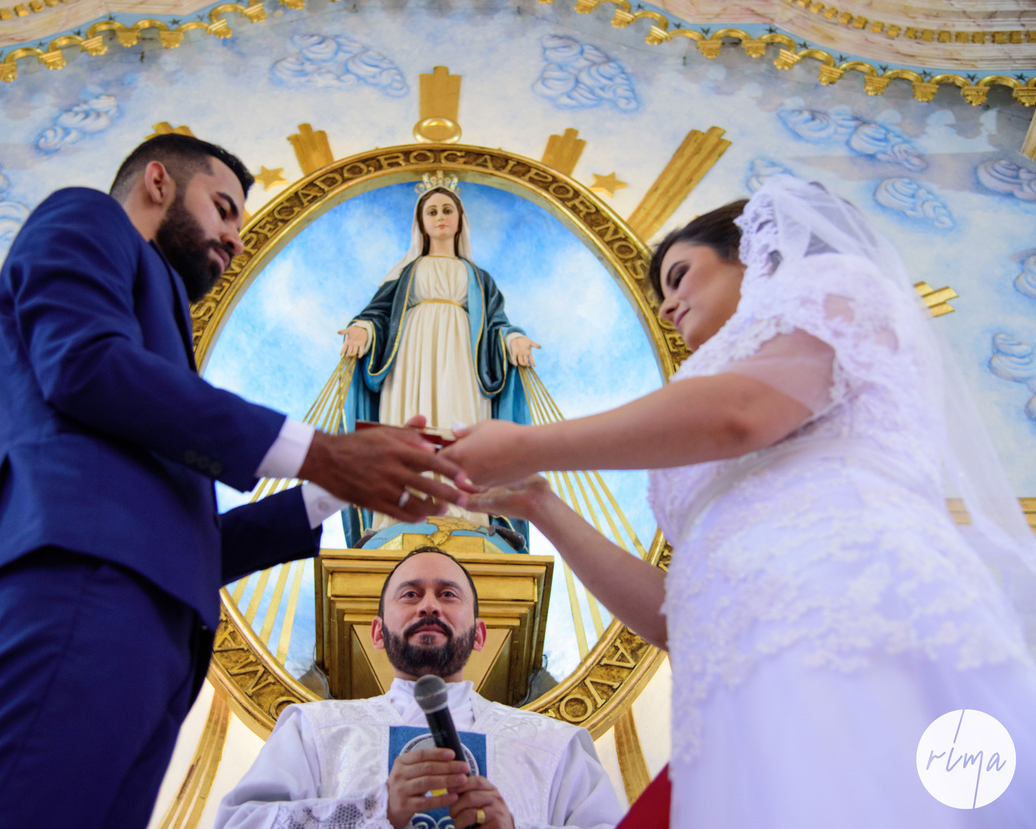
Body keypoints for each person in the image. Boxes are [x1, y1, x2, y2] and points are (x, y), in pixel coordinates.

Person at [448, 175, 1036, 828]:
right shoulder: (726, 384)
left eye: (680, 275)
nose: (669, 306)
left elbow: (742, 412)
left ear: (752, 251)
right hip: (738, 670)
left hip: (837, 607)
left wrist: (529, 444)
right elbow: (678, 617)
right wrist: (540, 505)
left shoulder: (837, 288)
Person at [0, 133, 471, 829]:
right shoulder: (86, 219)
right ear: (157, 181)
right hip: (79, 576)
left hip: (152, 629)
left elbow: (189, 541)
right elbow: (83, 364)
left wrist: (334, 489)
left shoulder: (161, 337)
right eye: (224, 208)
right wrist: (318, 451)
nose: (235, 237)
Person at [213, 546, 623, 829]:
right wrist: (375, 811)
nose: (429, 605)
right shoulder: (314, 730)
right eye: (410, 595)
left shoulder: (554, 746)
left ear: (479, 634)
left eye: (447, 594)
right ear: (377, 632)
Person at [337, 177, 539, 544]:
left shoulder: (478, 277)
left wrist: (514, 339)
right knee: (410, 422)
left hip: (463, 359)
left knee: (457, 420)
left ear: (460, 219)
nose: (440, 217)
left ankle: (464, 510)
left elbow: (497, 322)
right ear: (421, 222)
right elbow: (379, 313)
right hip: (409, 357)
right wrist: (362, 330)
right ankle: (398, 510)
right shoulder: (406, 272)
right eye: (432, 211)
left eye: (447, 210)